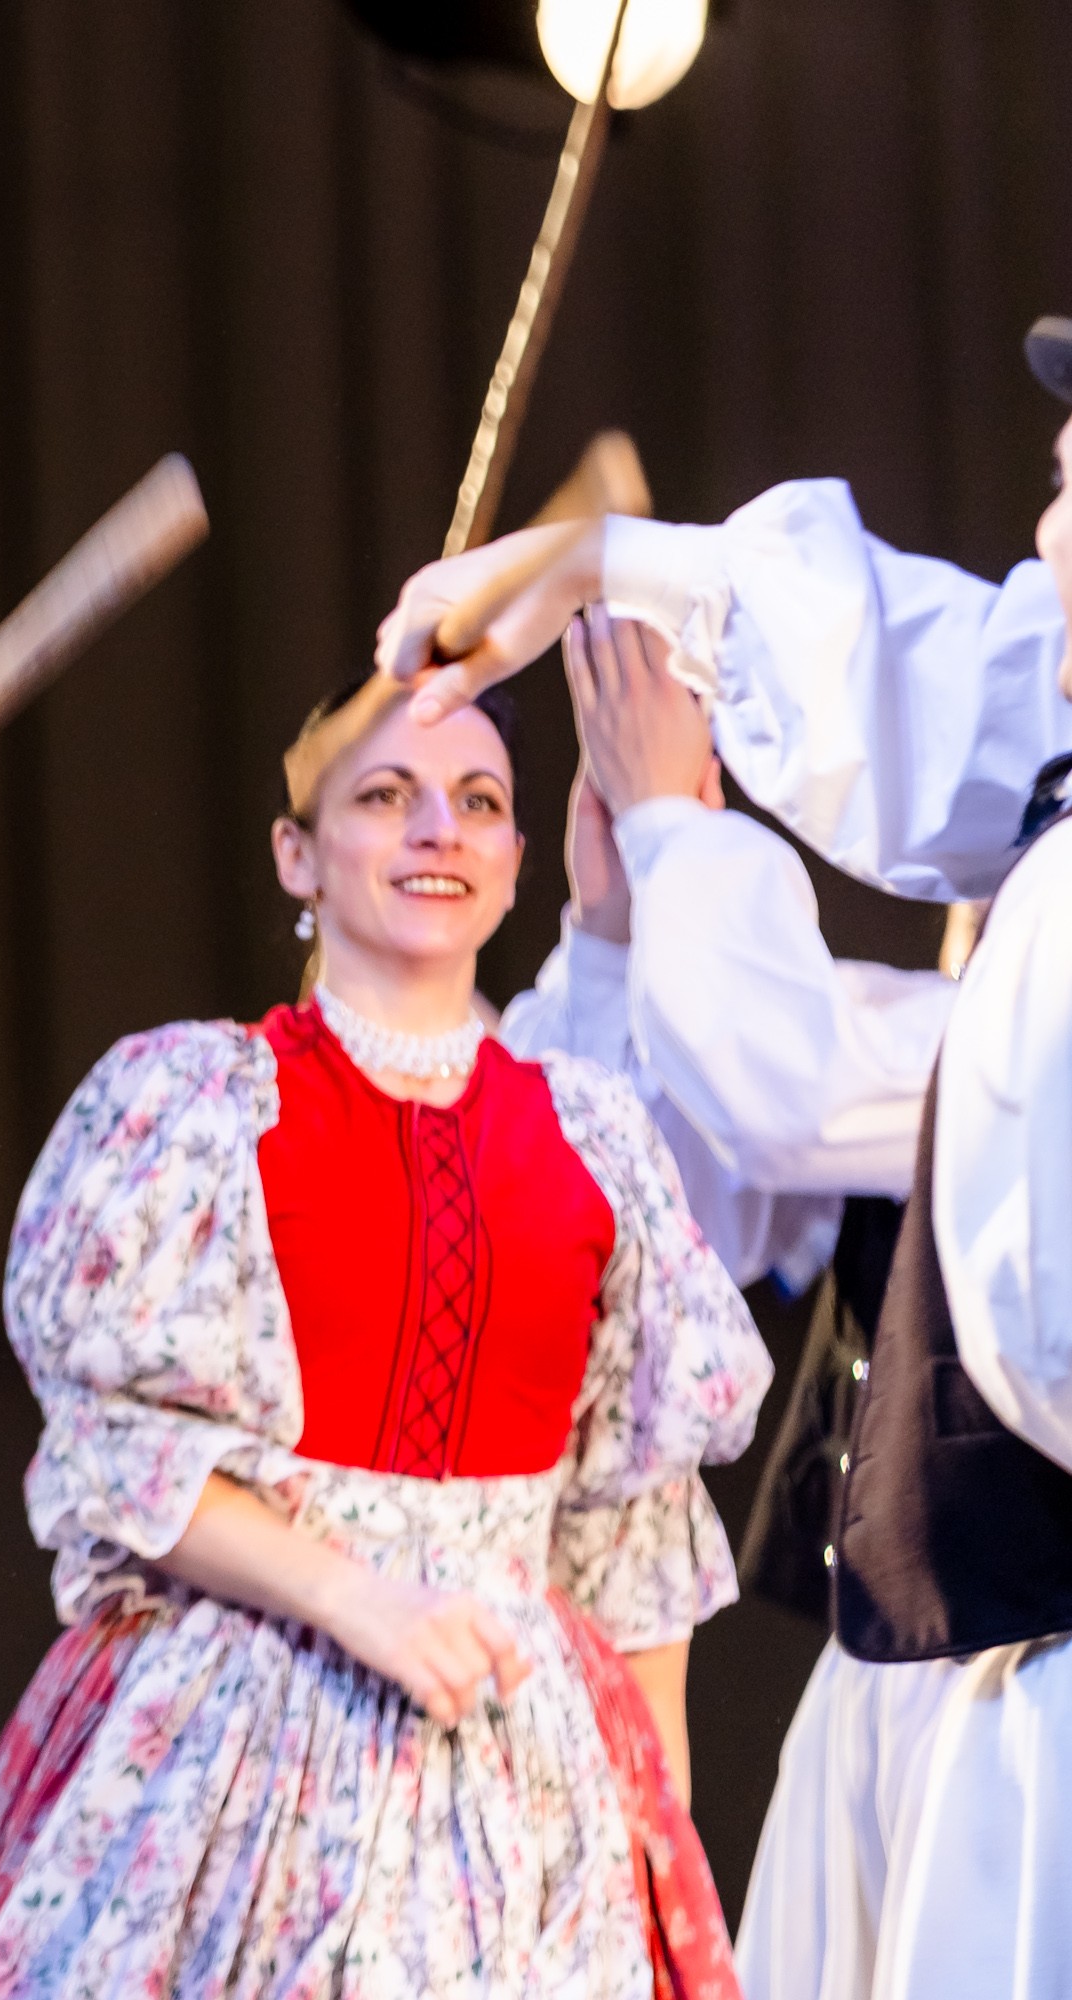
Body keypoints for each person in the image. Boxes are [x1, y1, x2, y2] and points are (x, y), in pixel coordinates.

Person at [0, 673, 768, 2000]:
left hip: (526, 1772)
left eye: (478, 801)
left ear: (516, 862)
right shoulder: (197, 1109)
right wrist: (358, 1600)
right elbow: (122, 1455)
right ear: (297, 854)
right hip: (249, 1743)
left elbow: (632, 1536)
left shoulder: (595, 1140)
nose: (438, 828)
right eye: (385, 795)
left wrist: (663, 1858)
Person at [376, 319, 1072, 2000]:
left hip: (1018, 1658)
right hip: (928, 1649)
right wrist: (622, 912)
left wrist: (673, 820)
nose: (1046, 544)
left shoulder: (1011, 979)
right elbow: (642, 1191)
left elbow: (782, 1075)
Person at [499, 609, 953, 1621]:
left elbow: (789, 1091)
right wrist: (612, 942)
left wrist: (669, 828)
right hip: (924, 1623)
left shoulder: (1025, 1027)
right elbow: (657, 1208)